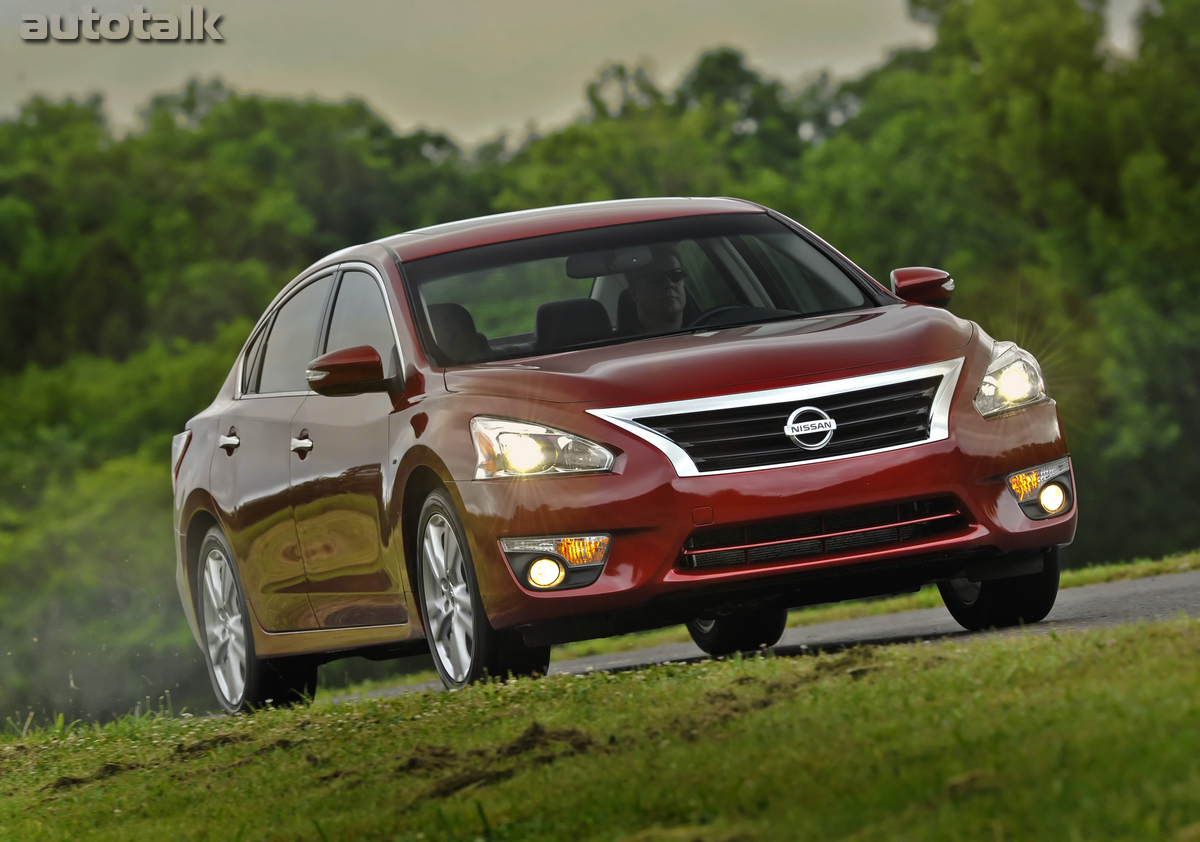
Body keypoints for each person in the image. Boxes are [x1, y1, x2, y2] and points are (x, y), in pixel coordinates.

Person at [625, 249, 689, 333]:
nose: (669, 284)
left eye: (676, 275)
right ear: (633, 293)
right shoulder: (617, 345)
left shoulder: (708, 329)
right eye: (656, 278)